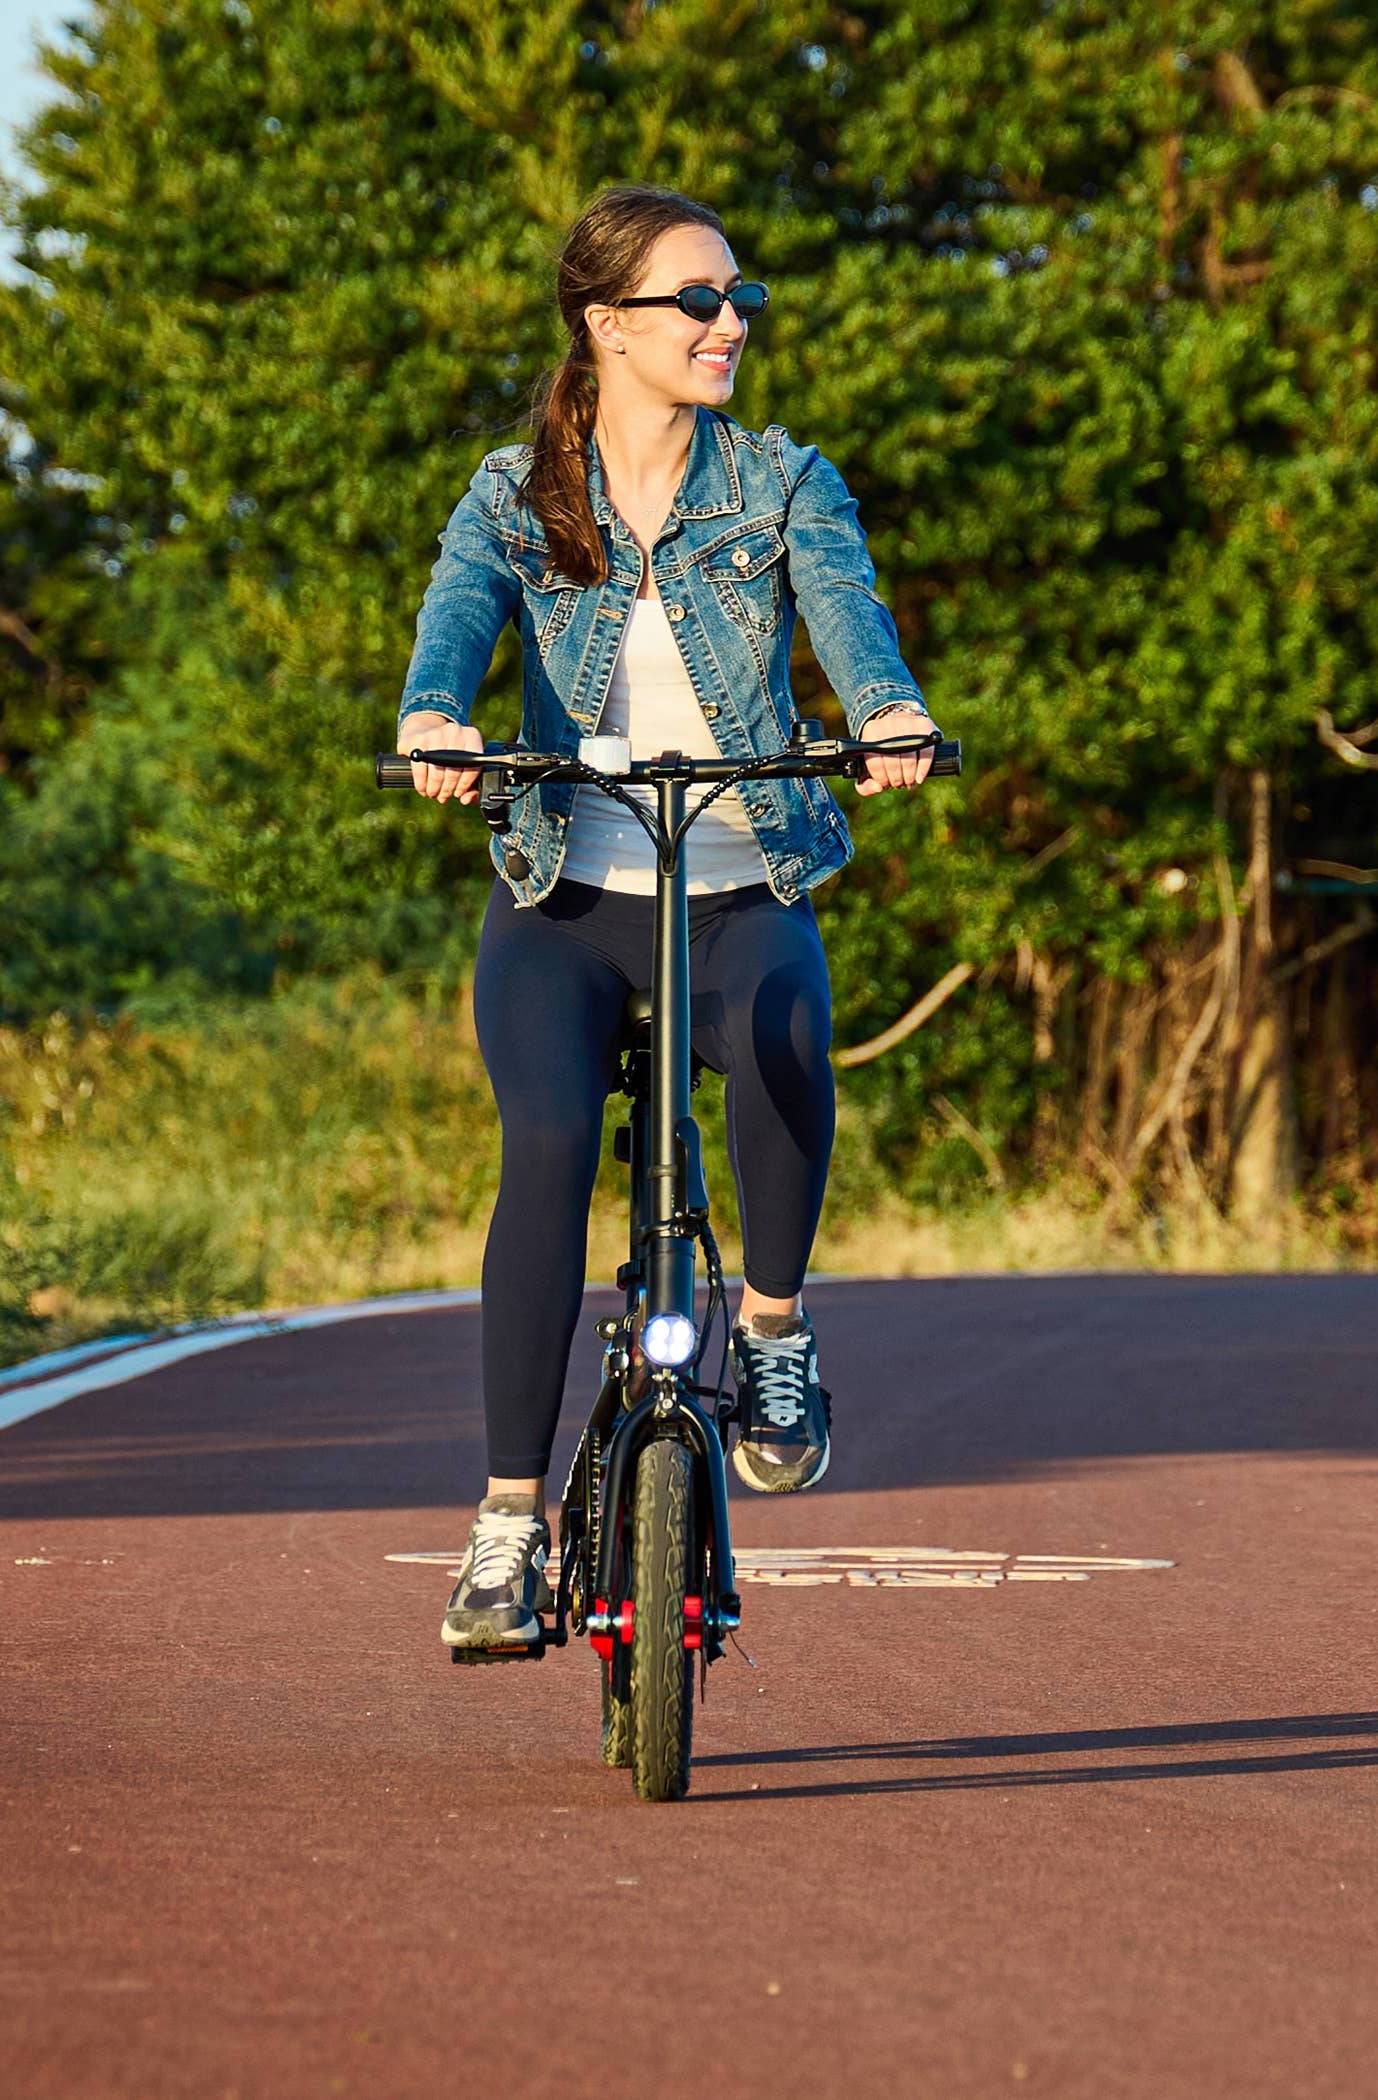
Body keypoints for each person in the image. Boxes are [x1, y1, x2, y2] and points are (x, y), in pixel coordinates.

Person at [396, 182, 937, 1654]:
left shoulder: (780, 482)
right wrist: (437, 713)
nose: (729, 322)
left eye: (739, 296)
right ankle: (509, 1523)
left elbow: (846, 607)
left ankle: (771, 1331)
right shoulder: (517, 491)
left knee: (783, 1054)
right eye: (696, 300)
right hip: (565, 897)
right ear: (608, 324)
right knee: (552, 1147)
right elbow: (457, 614)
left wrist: (885, 710)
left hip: (737, 873)